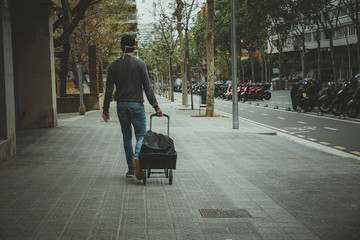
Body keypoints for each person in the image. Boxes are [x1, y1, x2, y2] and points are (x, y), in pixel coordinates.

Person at [102, 35, 163, 180]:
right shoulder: (140, 64)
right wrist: (156, 107)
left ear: (121, 47)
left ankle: (131, 168)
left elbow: (109, 90)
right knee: (141, 135)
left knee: (127, 137)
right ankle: (137, 158)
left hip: (121, 105)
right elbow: (148, 88)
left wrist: (105, 110)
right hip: (136, 105)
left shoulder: (114, 66)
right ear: (134, 47)